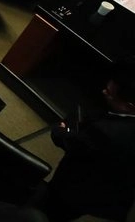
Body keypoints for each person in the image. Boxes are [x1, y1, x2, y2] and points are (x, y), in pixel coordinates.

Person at [46, 68, 135, 221]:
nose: (104, 92)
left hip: (81, 193)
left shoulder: (106, 132)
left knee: (48, 213)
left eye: (109, 93)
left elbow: (67, 139)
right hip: (116, 194)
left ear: (130, 106)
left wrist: (62, 129)